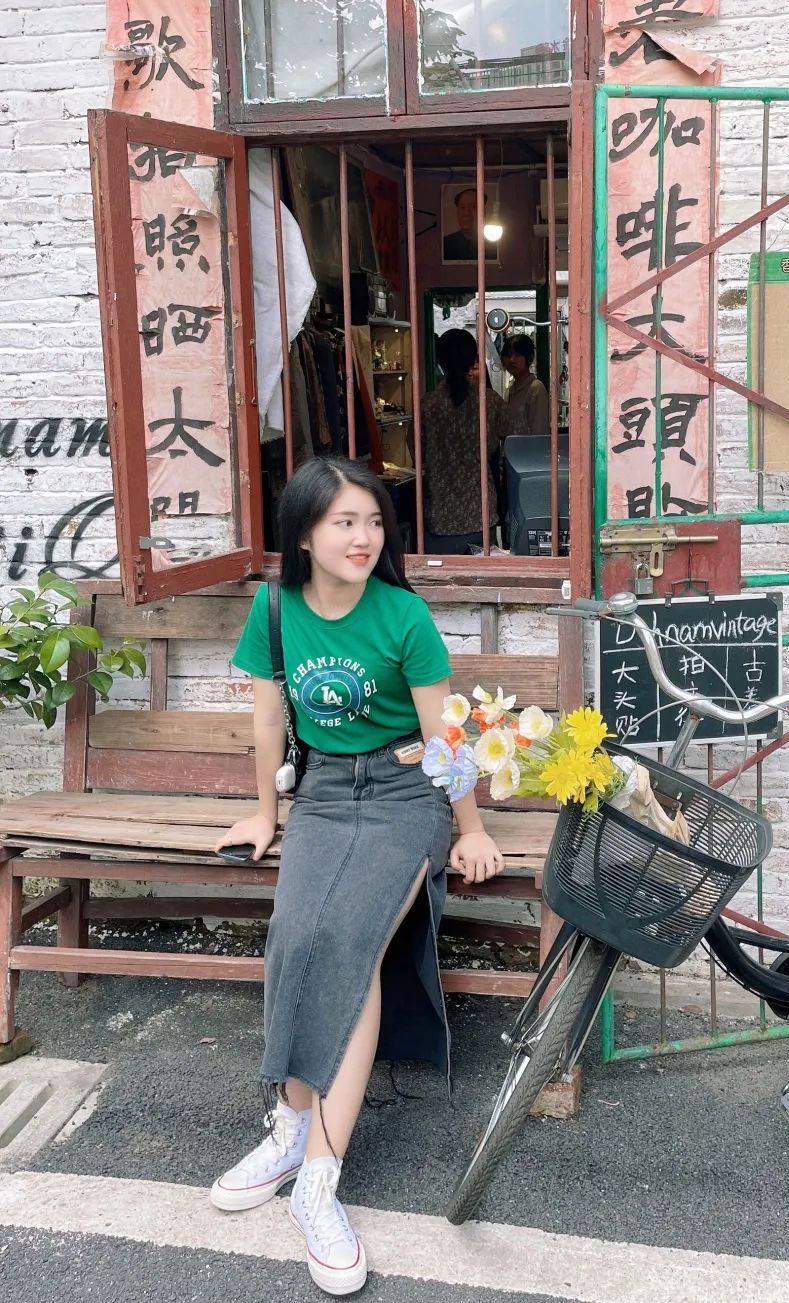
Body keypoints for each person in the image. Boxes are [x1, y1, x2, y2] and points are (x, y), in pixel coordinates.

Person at [211, 456, 504, 1297]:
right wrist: (264, 815)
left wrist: (471, 827)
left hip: (406, 791)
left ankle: (318, 1178)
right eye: (345, 521)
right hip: (326, 793)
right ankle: (289, 1125)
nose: (364, 536)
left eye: (374, 521)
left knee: (350, 940)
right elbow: (269, 717)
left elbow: (445, 737)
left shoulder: (402, 614)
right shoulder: (273, 610)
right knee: (295, 934)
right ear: (304, 532)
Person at [420, 329, 523, 554]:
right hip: (479, 513)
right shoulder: (489, 402)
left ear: (439, 361)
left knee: (439, 575)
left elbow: (415, 450)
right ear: (473, 360)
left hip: (439, 515)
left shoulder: (427, 405)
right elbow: (519, 436)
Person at [500, 334, 550, 436]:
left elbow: (539, 433)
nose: (511, 360)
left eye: (518, 355)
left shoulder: (536, 388)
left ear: (529, 358)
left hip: (529, 446)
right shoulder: (511, 388)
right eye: (508, 355)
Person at [442, 187, 497, 263]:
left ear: (484, 212)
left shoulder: (495, 245)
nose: (467, 213)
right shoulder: (446, 244)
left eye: (474, 207)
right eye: (462, 207)